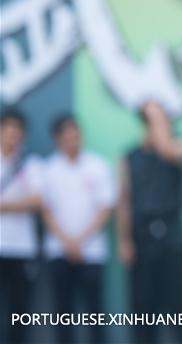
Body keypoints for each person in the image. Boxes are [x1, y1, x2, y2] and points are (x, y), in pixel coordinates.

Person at [118, 100, 182, 343]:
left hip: (172, 236)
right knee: (143, 311)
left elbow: (166, 150)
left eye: (160, 119)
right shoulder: (129, 157)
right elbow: (124, 200)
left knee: (181, 310)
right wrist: (124, 240)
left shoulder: (177, 146)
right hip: (142, 237)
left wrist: (158, 116)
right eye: (150, 119)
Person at [42, 114, 117, 344]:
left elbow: (106, 207)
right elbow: (45, 210)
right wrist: (67, 242)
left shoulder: (98, 165)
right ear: (57, 139)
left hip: (91, 250)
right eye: (66, 134)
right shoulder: (49, 169)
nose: (72, 138)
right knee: (63, 313)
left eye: (75, 133)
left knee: (95, 312)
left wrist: (80, 240)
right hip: (59, 249)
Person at [0, 108, 43, 344]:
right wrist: (19, 203)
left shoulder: (31, 164)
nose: (13, 135)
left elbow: (37, 200)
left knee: (19, 312)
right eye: (8, 130)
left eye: (18, 131)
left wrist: (4, 206)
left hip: (21, 248)